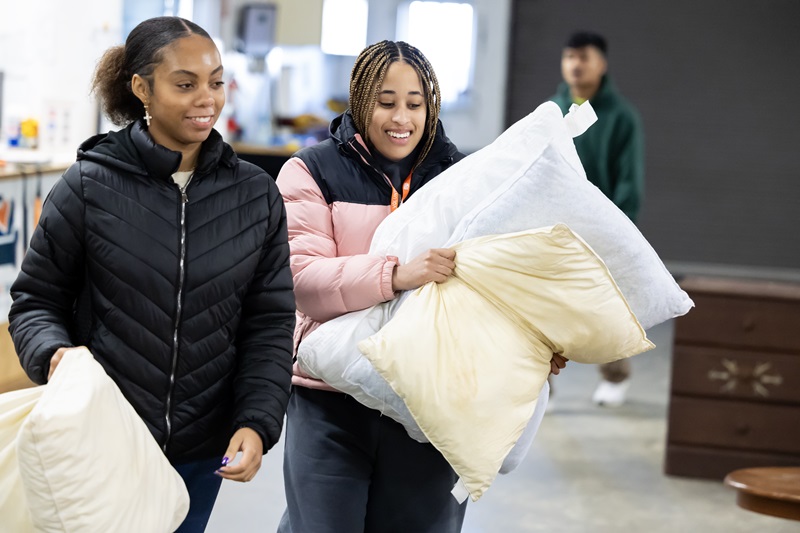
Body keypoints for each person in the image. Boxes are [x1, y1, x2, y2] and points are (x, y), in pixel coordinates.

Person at [8, 16, 295, 532]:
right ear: (142, 88)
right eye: (185, 84)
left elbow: (269, 322)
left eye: (215, 81)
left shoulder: (255, 195)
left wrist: (256, 420)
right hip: (100, 437)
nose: (206, 98)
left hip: (200, 452)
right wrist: (56, 354)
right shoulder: (89, 186)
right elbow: (35, 301)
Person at [276, 40, 566, 533]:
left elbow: (497, 286)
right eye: (386, 102)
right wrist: (396, 274)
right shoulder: (311, 173)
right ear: (360, 99)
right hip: (330, 399)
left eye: (415, 103)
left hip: (432, 403)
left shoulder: (463, 181)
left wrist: (535, 346)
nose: (401, 118)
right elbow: (304, 283)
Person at [550, 31, 645, 407]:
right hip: (556, 228)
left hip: (602, 229)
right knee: (545, 307)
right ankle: (544, 388)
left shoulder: (622, 117)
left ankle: (615, 377)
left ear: (601, 64)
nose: (575, 64)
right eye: (569, 56)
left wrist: (617, 231)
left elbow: (629, 180)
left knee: (604, 308)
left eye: (584, 57)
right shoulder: (553, 109)